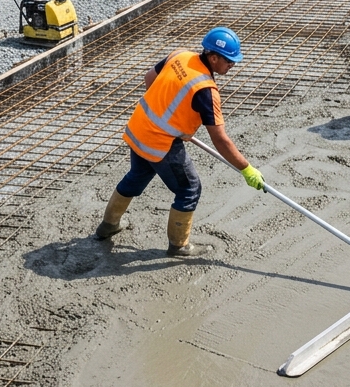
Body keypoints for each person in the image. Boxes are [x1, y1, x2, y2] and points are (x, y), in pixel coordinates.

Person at [95, 27, 264, 256]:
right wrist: (246, 169)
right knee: (189, 188)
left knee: (137, 174)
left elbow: (149, 78)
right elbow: (220, 139)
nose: (232, 65)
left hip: (139, 127)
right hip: (161, 142)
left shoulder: (180, 55)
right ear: (213, 57)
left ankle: (108, 226)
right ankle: (179, 246)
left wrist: (164, 115)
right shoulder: (205, 90)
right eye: (229, 61)